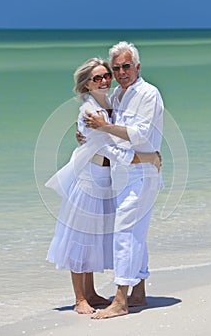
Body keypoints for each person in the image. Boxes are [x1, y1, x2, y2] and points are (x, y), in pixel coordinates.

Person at [45, 57, 161, 315]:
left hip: (106, 178)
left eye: (106, 75)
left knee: (95, 235)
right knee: (80, 236)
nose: (105, 80)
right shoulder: (90, 111)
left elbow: (118, 135)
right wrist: (148, 158)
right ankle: (79, 298)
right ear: (86, 85)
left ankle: (92, 292)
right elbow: (109, 148)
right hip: (89, 177)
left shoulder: (112, 101)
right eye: (97, 78)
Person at [83, 42, 164, 319]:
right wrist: (86, 134)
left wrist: (104, 128)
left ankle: (120, 300)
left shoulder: (149, 94)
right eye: (115, 68)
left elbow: (140, 136)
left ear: (137, 67)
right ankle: (138, 291)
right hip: (124, 175)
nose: (120, 72)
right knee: (136, 232)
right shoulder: (117, 94)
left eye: (126, 66)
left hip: (142, 176)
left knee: (125, 233)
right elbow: (108, 134)